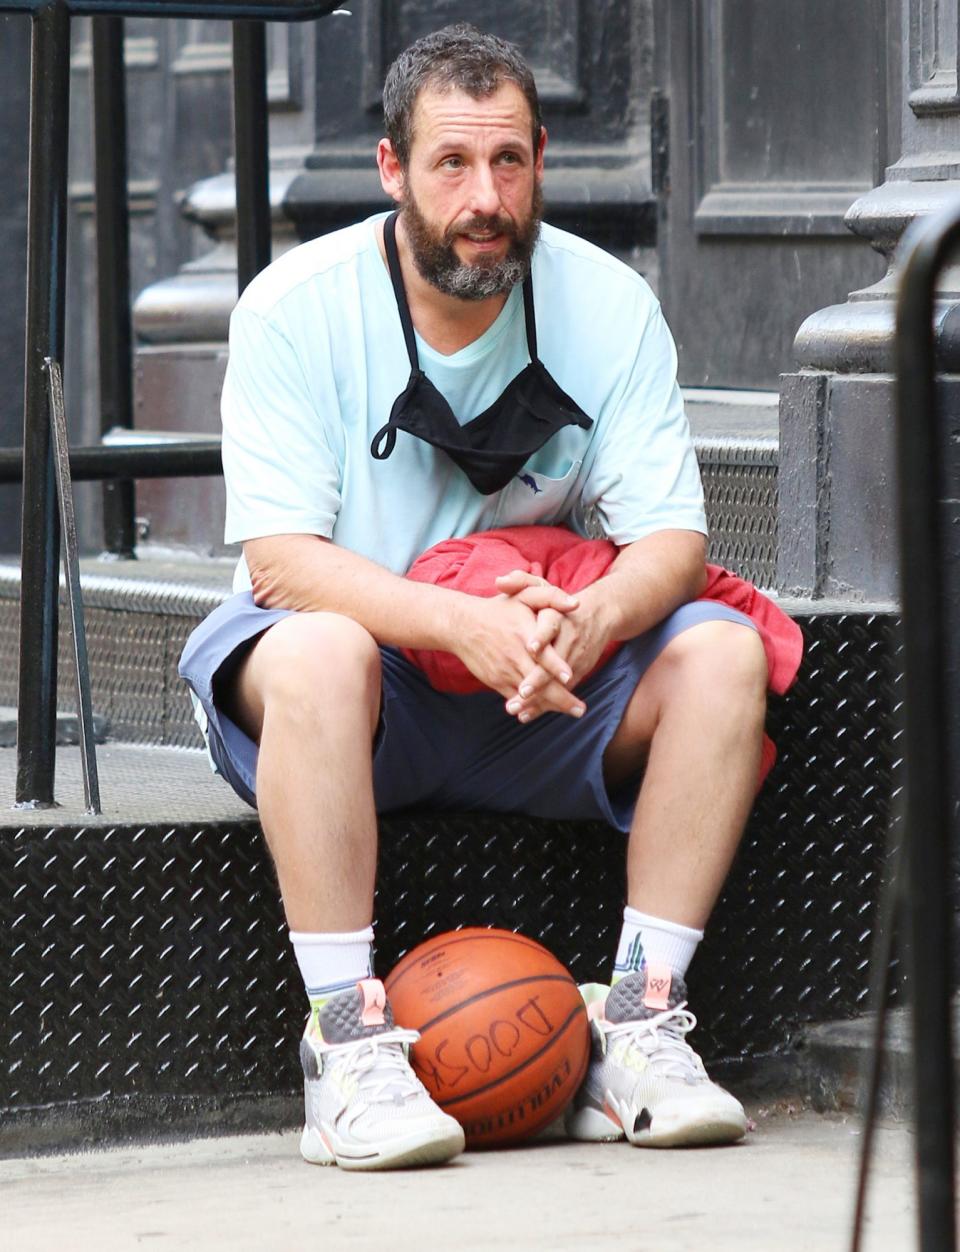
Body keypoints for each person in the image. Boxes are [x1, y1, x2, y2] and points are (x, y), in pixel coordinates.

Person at [180, 23, 771, 1170]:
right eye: (451, 164)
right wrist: (462, 625)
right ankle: (347, 1047)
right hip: (367, 693)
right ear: (393, 168)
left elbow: (672, 539)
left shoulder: (608, 303)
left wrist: (591, 619)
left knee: (723, 653)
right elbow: (282, 562)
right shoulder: (294, 305)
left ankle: (642, 1025)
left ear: (544, 158)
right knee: (315, 651)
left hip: (546, 686)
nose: (484, 197)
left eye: (509, 162)